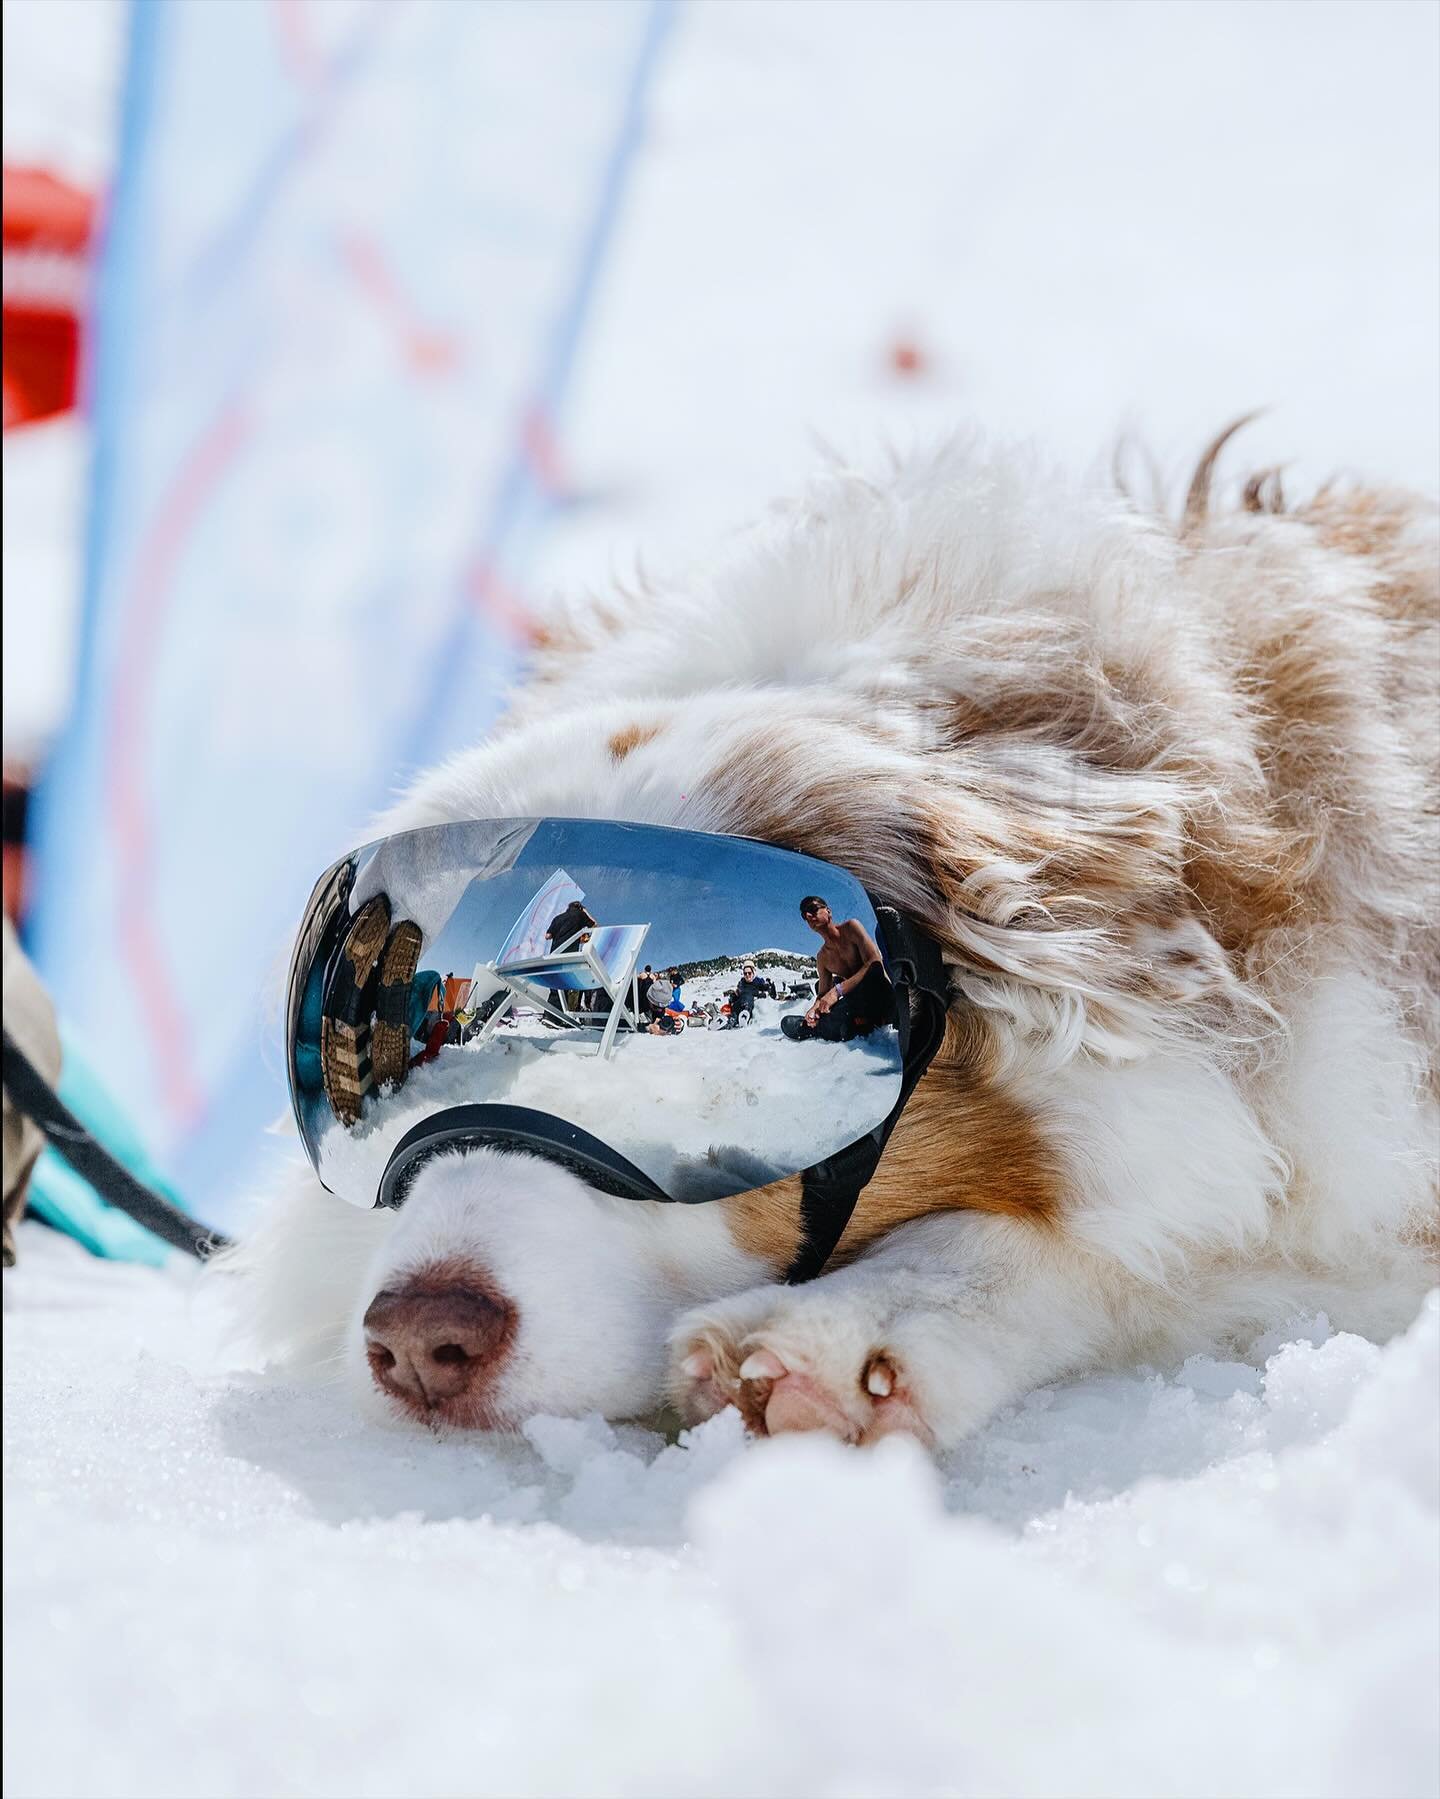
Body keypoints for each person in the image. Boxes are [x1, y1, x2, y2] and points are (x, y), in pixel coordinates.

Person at [780, 896, 895, 1043]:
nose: (808, 916)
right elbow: (822, 994)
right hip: (857, 1003)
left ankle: (822, 1028)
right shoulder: (822, 957)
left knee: (866, 979)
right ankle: (851, 1023)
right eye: (804, 915)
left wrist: (837, 991)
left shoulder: (852, 928)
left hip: (880, 994)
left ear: (828, 911)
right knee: (821, 989)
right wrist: (815, 1010)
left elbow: (875, 962)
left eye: (813, 909)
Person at [545, 898, 596, 1023]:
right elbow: (594, 925)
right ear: (579, 908)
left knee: (554, 986)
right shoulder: (580, 915)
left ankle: (549, 1016)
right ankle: (556, 1019)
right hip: (568, 955)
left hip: (554, 954)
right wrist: (584, 911)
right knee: (565, 985)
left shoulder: (558, 917)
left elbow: (548, 936)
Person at [725, 961, 775, 1028]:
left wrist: (770, 987)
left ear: (753, 972)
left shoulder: (758, 981)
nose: (747, 975)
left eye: (749, 973)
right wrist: (733, 997)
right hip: (739, 1004)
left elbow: (769, 992)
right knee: (736, 1006)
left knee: (747, 995)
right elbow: (737, 994)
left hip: (749, 1005)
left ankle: (745, 1015)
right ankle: (732, 1021)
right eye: (745, 973)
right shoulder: (741, 982)